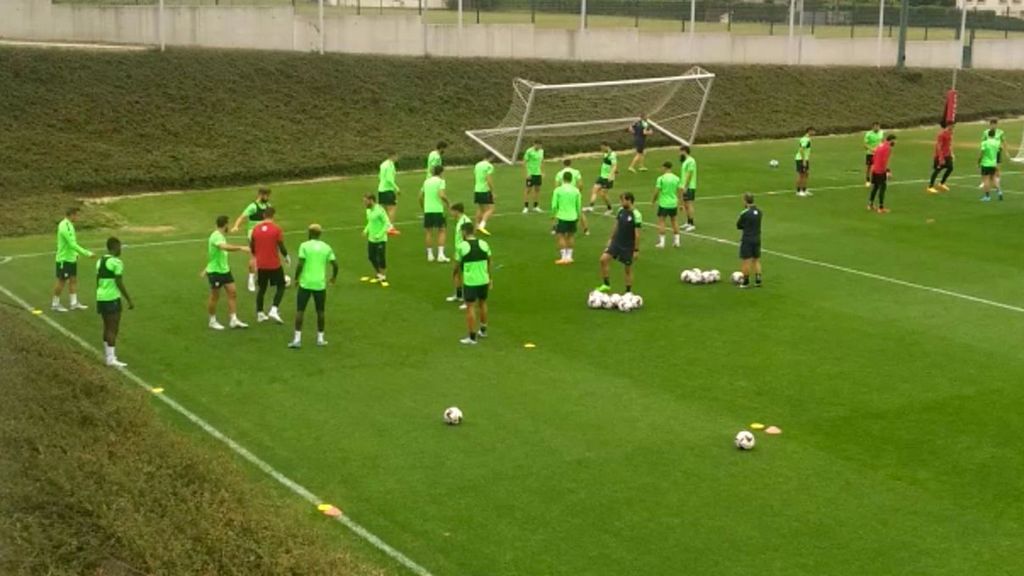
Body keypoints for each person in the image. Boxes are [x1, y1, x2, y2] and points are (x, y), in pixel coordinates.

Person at [289, 224, 338, 349]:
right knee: (320, 311)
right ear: (320, 234)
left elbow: (300, 264)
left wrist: (296, 278)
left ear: (309, 233)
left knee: (300, 310)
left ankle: (297, 339)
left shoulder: (304, 245)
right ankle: (320, 339)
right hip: (320, 284)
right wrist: (333, 278)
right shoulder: (326, 247)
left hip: (305, 283)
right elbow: (335, 265)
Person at [203, 215, 250, 331]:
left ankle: (233, 320)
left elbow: (214, 255)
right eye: (228, 224)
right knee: (215, 296)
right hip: (216, 272)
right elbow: (224, 247)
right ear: (225, 225)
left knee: (232, 292)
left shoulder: (221, 236)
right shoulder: (216, 236)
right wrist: (240, 248)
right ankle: (212, 321)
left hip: (225, 270)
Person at [95, 237, 134, 368]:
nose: (120, 250)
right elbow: (119, 282)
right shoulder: (116, 262)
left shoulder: (100, 261)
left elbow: (97, 280)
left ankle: (108, 355)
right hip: (111, 298)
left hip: (101, 297)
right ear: (114, 248)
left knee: (106, 326)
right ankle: (111, 359)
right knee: (113, 327)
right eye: (119, 247)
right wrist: (128, 299)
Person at [454, 222, 492, 345]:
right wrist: (490, 278)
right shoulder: (484, 244)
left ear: (464, 232)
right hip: (484, 279)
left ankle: (472, 337)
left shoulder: (462, 246)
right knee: (483, 303)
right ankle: (483, 330)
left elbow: (457, 265)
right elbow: (489, 261)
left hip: (471, 281)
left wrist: (456, 276)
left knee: (470, 307)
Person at [596, 192, 642, 294]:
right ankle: (606, 284)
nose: (621, 203)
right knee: (603, 260)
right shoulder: (620, 211)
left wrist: (636, 250)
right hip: (616, 242)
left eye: (623, 200)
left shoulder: (636, 214)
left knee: (627, 269)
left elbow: (637, 234)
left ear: (629, 200)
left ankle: (628, 291)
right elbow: (616, 226)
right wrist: (611, 239)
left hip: (628, 245)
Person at [250, 207, 289, 324]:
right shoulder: (276, 229)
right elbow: (281, 245)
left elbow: (252, 246)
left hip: (261, 264)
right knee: (281, 285)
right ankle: (274, 309)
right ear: (273, 216)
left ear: (263, 216)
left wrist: (257, 256)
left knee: (262, 288)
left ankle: (260, 313)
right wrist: (286, 256)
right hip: (274, 264)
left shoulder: (255, 229)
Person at [52, 207, 94, 312]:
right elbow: (72, 243)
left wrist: (75, 254)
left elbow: (70, 244)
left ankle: (73, 303)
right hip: (64, 259)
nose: (77, 217)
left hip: (70, 259)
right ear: (71, 215)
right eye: (76, 215)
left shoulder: (70, 225)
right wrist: (86, 253)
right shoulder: (64, 226)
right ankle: (55, 304)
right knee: (62, 281)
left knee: (73, 280)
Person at [231, 186, 272, 293]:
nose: (268, 197)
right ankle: (251, 279)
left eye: (268, 195)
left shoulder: (268, 206)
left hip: (265, 236)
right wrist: (236, 226)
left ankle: (261, 278)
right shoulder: (252, 207)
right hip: (254, 235)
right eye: (266, 195)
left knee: (264, 257)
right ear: (260, 195)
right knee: (254, 257)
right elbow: (242, 217)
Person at [551, 170, 588, 264]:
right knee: (571, 235)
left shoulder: (558, 190)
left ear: (563, 179)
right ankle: (570, 257)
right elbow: (578, 205)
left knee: (561, 236)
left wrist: (552, 215)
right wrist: (579, 216)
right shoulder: (576, 191)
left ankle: (564, 258)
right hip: (573, 216)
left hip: (562, 216)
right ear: (571, 179)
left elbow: (554, 205)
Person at [419, 165, 450, 262]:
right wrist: (448, 203)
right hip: (438, 209)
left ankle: (430, 255)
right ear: (441, 172)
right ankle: (440, 255)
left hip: (428, 210)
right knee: (442, 230)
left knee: (429, 232)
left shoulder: (426, 181)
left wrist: (423, 207)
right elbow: (441, 194)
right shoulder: (441, 181)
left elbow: (420, 196)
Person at [446, 203, 474, 308]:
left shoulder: (465, 221)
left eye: (452, 211)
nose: (451, 213)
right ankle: (458, 295)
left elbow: (469, 235)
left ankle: (468, 300)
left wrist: (465, 250)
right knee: (456, 273)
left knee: (466, 275)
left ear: (457, 211)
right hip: (459, 251)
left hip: (464, 252)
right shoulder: (459, 220)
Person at [363, 194, 391, 286]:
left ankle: (383, 275)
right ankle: (379, 273)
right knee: (371, 256)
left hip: (380, 239)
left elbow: (386, 223)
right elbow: (370, 222)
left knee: (381, 257)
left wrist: (379, 234)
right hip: (371, 238)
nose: (364, 203)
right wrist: (366, 230)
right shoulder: (368, 210)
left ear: (371, 200)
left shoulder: (379, 210)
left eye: (366, 201)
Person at [736, 193, 763, 289]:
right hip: (757, 238)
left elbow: (739, 226)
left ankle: (745, 282)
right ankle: (758, 280)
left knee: (746, 261)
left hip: (747, 239)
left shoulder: (744, 213)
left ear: (745, 200)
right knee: (756, 260)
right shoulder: (759, 212)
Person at [652, 161, 681, 248]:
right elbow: (680, 192)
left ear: (665, 167)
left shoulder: (661, 178)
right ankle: (677, 241)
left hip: (664, 204)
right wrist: (681, 203)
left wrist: (653, 201)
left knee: (662, 221)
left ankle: (662, 243)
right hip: (673, 203)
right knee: (674, 221)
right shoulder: (676, 178)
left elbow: (657, 191)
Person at [867, 134, 896, 214]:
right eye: (894, 141)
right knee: (882, 188)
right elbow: (884, 160)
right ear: (891, 140)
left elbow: (874, 157)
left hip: (874, 170)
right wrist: (887, 171)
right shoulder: (887, 148)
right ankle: (881, 207)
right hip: (880, 171)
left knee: (875, 187)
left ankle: (870, 205)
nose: (895, 142)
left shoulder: (880, 145)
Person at [586, 142, 617, 214]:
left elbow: (614, 165)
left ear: (606, 146)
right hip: (602, 176)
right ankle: (591, 207)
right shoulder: (606, 153)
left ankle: (610, 208)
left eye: (602, 147)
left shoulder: (612, 155)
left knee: (603, 194)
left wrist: (611, 175)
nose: (601, 149)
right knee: (594, 190)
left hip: (608, 178)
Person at [377, 151, 401, 236]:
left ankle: (381, 226)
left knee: (382, 210)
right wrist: (396, 188)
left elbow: (379, 176)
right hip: (388, 190)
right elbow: (389, 179)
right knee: (392, 209)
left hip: (381, 189)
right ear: (393, 156)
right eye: (396, 156)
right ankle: (390, 228)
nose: (397, 158)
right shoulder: (390, 165)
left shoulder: (383, 164)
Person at [927, 122, 954, 194]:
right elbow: (939, 146)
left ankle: (941, 183)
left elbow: (949, 144)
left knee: (950, 168)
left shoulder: (950, 133)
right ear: (948, 125)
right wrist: (941, 158)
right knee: (937, 170)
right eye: (951, 125)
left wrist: (951, 153)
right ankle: (930, 187)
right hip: (940, 155)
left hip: (947, 155)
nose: (953, 127)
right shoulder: (941, 134)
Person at [978, 119, 1006, 189]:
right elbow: (983, 141)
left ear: (996, 125)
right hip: (988, 152)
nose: (993, 126)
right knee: (985, 167)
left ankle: (997, 182)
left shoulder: (1000, 132)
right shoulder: (986, 132)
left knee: (997, 168)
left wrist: (1004, 149)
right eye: (992, 124)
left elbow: (1003, 141)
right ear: (990, 124)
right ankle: (984, 182)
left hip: (997, 152)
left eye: (995, 124)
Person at [473, 154, 496, 235]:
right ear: (491, 157)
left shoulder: (477, 165)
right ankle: (482, 225)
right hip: (485, 190)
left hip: (477, 189)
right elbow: (488, 179)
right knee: (491, 209)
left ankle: (476, 226)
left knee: (480, 209)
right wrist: (492, 191)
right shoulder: (489, 166)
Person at [980, 130, 1003, 202]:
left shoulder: (984, 143)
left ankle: (987, 196)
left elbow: (982, 152)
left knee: (986, 180)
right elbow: (999, 150)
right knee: (994, 178)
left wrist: (979, 160)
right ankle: (999, 192)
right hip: (994, 163)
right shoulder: (997, 143)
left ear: (988, 135)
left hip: (986, 163)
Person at [522, 140, 544, 213]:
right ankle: (526, 207)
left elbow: (541, 162)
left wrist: (542, 172)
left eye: (540, 145)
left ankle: (535, 206)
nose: (539, 146)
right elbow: (524, 162)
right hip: (531, 173)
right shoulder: (529, 151)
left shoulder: (541, 151)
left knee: (537, 190)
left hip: (538, 174)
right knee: (528, 190)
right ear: (534, 144)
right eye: (537, 145)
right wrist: (527, 173)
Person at [679, 145, 698, 231]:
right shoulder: (685, 161)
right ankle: (688, 222)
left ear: (684, 151)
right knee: (686, 204)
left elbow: (689, 174)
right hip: (684, 185)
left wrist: (686, 185)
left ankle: (692, 224)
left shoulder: (691, 161)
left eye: (680, 151)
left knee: (689, 204)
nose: (679, 153)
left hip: (689, 186)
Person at [863, 122, 884, 187]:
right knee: (869, 167)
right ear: (873, 127)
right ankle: (867, 180)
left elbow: (881, 141)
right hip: (870, 153)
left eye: (878, 127)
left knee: (879, 167)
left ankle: (876, 180)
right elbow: (865, 145)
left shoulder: (881, 132)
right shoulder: (868, 134)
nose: (877, 128)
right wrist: (872, 149)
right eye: (875, 127)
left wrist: (882, 148)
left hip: (879, 153)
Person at [795, 127, 814, 197]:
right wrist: (803, 161)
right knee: (801, 175)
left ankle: (804, 189)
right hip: (801, 159)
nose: (814, 133)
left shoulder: (807, 139)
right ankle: (799, 191)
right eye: (813, 131)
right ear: (809, 131)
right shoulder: (805, 140)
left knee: (806, 174)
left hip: (805, 159)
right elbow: (801, 150)